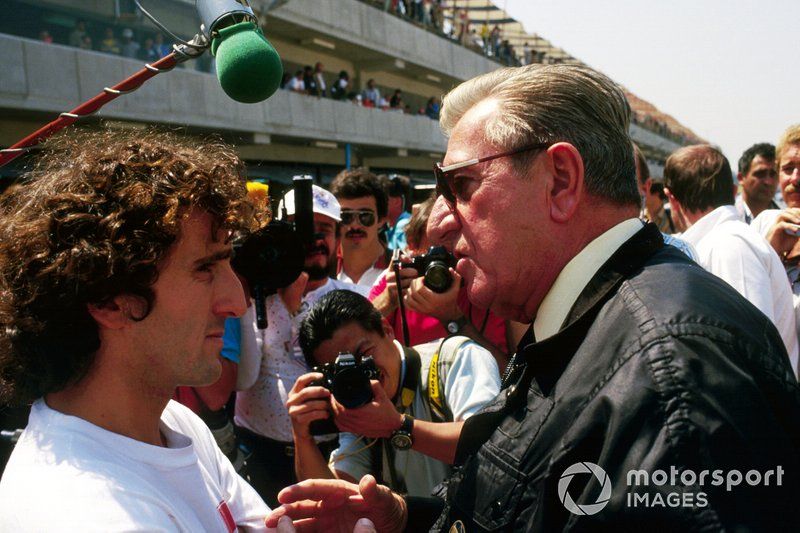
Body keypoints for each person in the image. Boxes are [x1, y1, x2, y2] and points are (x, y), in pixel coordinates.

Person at [267, 64, 800, 532]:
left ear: (560, 181)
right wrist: (404, 519)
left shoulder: (673, 371)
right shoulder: (584, 327)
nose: (442, 224)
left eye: (462, 187)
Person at [0, 130, 270, 530]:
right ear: (109, 300)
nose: (236, 302)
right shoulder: (86, 513)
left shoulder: (174, 422)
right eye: (204, 268)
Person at [286, 290, 501, 498]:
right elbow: (334, 496)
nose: (357, 375)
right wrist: (302, 437)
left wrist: (397, 427)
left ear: (386, 329)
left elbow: (489, 447)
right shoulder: (354, 403)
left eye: (364, 354)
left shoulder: (454, 359)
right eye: (342, 371)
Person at [234, 184, 364, 507]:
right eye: (301, 230)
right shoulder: (257, 296)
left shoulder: (351, 299)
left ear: (337, 240)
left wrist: (296, 311)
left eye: (324, 230)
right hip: (259, 453)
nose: (313, 240)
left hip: (325, 455)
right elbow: (244, 378)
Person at [663, 144, 798, 375]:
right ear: (734, 189)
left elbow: (752, 357)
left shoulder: (730, 246)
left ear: (671, 199)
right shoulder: (721, 242)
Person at [330, 168, 390, 290]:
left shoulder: (399, 269)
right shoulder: (321, 269)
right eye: (346, 216)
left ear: (381, 220)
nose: (355, 225)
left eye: (365, 216)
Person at [735, 142, 779, 223]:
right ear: (741, 178)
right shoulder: (729, 217)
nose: (768, 182)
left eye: (773, 174)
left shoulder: (785, 217)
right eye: (760, 174)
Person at [382, 174, 412, 251]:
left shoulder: (403, 225)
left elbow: (409, 255)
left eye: (382, 199)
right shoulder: (393, 226)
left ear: (397, 202)